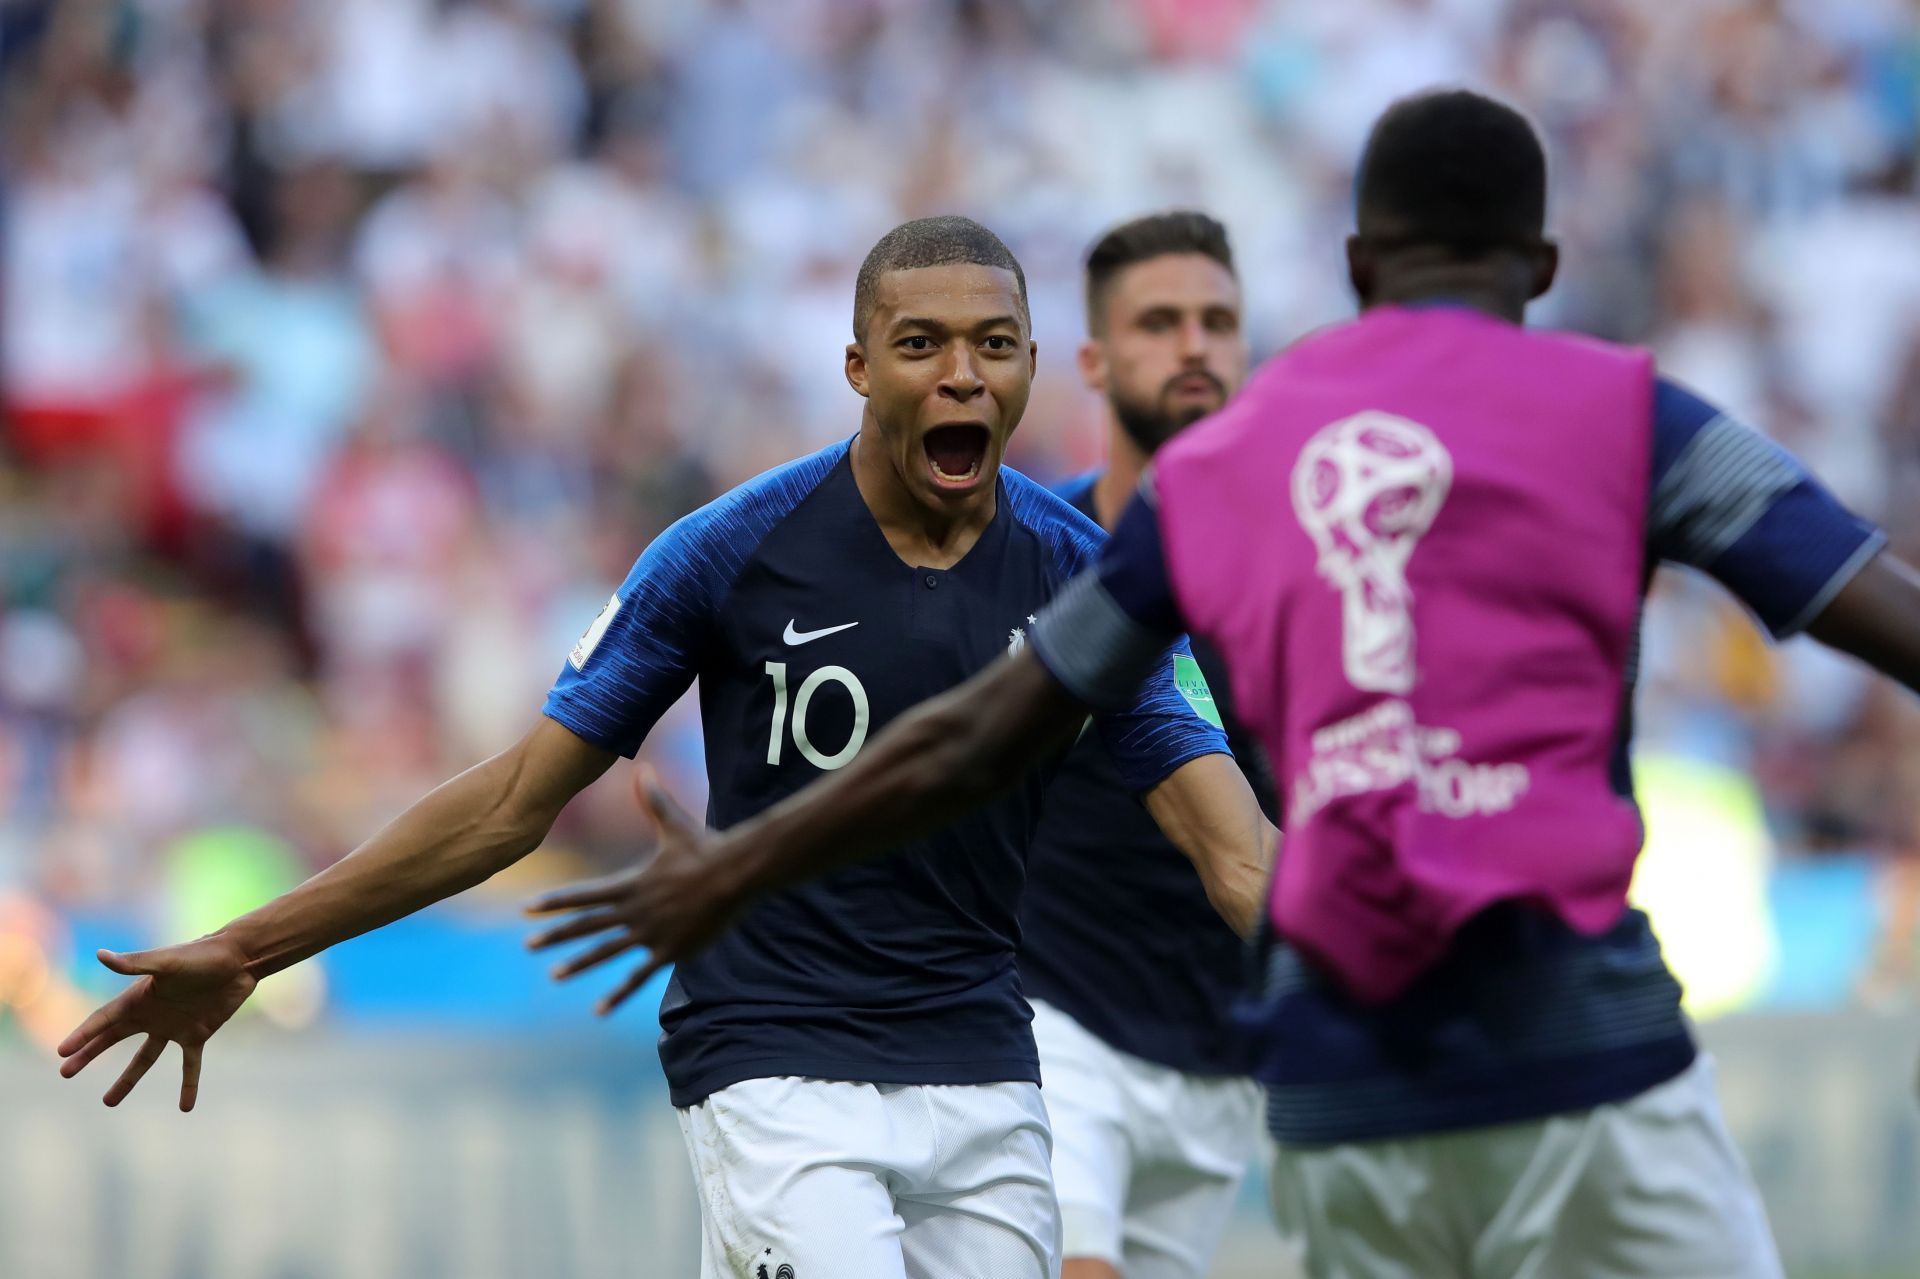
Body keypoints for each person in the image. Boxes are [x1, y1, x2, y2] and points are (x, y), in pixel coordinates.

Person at [553, 92, 1920, 1278]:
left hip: (1341, 1085)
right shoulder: (1635, 414)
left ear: (1358, 260)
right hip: (1577, 1034)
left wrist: (743, 860)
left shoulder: (1224, 467)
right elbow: (1875, 608)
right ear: (1546, 259)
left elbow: (981, 732)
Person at [56, 216, 1275, 1279]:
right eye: (921, 346)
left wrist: (1414, 988)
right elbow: (509, 806)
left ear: (1030, 367)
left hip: (987, 1069)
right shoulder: (728, 552)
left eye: (994, 347)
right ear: (857, 364)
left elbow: (1234, 852)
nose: (962, 376)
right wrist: (252, 947)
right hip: (776, 1061)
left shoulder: (1088, 586)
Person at [1020, 210, 1273, 1279]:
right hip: (1055, 1029)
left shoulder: (1307, 573)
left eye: (1217, 321)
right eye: (1159, 322)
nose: (1193, 345)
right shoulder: (1033, 556)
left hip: (1222, 1060)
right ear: (1094, 357)